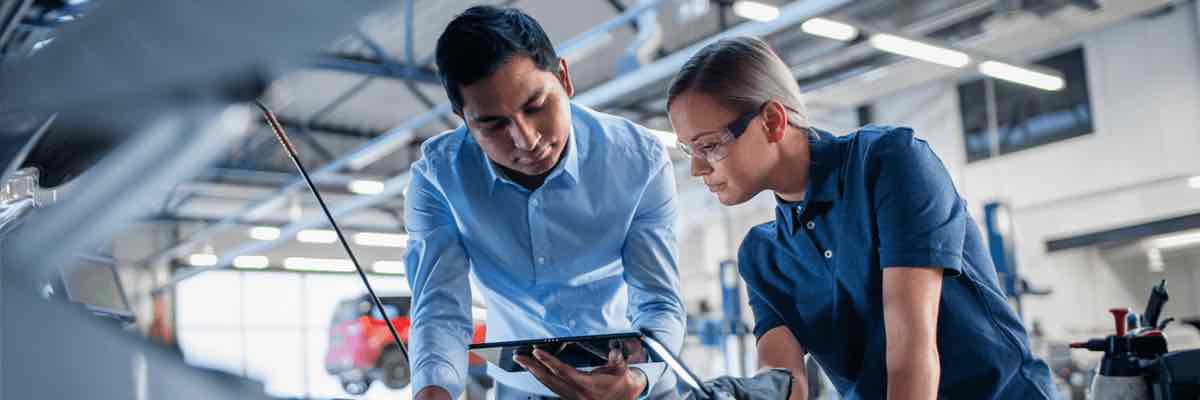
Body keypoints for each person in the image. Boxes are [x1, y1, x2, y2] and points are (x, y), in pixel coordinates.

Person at [662, 36, 1056, 399]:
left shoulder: (888, 164)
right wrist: (737, 393)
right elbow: (786, 382)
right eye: (688, 151)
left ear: (772, 121)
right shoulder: (762, 255)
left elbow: (911, 355)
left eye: (709, 146)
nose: (697, 169)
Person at [406, 6, 685, 400]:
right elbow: (439, 311)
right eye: (493, 124)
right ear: (463, 118)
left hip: (634, 382)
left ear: (565, 79)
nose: (526, 139)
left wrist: (637, 379)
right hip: (521, 387)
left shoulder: (639, 161)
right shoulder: (437, 180)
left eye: (536, 106)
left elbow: (658, 301)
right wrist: (434, 390)